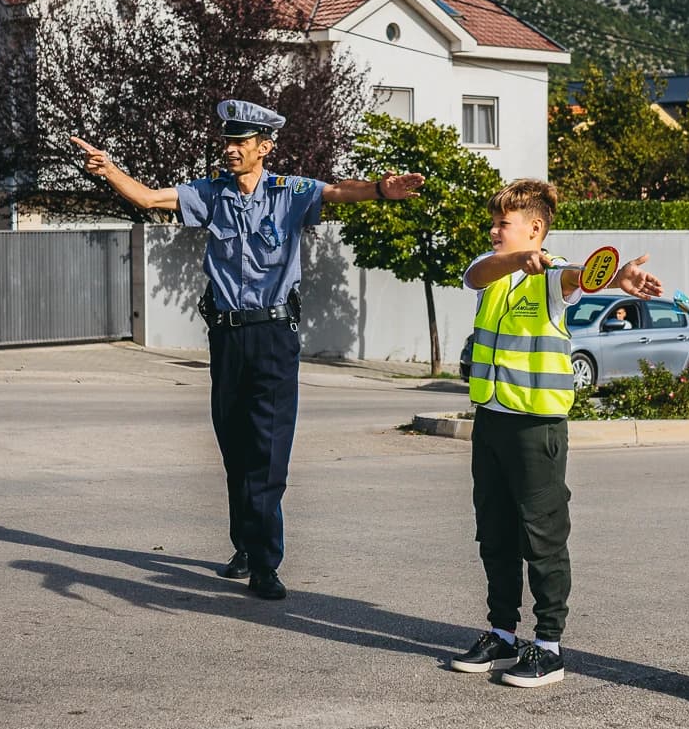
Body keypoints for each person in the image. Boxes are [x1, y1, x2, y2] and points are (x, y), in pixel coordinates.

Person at [70, 100, 424, 601]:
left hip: (275, 336)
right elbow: (149, 200)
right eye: (227, 142)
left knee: (268, 454)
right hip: (227, 337)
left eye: (241, 142)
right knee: (235, 447)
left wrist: (382, 191)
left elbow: (340, 191)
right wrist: (108, 169)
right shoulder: (211, 193)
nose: (231, 150)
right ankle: (245, 545)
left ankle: (265, 562)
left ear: (265, 146)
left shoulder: (290, 192)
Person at [450, 179, 661, 687]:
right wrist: (513, 258)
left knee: (541, 535)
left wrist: (615, 278)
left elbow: (576, 277)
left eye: (505, 223)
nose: (495, 230)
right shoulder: (494, 271)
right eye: (495, 222)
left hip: (536, 425)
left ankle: (549, 646)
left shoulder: (550, 277)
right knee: (494, 532)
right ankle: (502, 634)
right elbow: (476, 272)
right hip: (492, 420)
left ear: (536, 229)